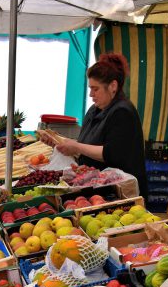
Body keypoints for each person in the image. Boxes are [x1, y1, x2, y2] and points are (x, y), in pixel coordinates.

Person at [39, 52, 147, 197]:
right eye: (90, 88)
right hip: (95, 187)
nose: (90, 94)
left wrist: (76, 146)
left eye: (95, 89)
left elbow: (110, 154)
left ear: (113, 86)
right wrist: (59, 144)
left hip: (119, 192)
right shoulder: (94, 110)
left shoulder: (122, 112)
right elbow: (86, 146)